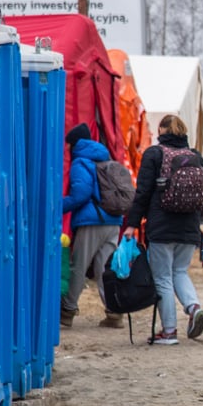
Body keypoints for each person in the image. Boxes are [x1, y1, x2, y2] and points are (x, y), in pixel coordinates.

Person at [123, 114, 203, 345]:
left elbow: (142, 192)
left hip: (161, 226)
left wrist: (132, 224)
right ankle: (193, 307)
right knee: (179, 272)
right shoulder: (194, 156)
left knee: (162, 277)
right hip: (189, 227)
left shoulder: (154, 154)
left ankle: (169, 331)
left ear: (162, 130)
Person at [60, 123, 125, 329]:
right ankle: (114, 311)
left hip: (92, 221)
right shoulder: (106, 158)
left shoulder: (81, 162)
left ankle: (67, 310)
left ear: (74, 144)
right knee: (104, 268)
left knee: (79, 265)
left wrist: (57, 206)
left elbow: (81, 194)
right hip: (114, 220)